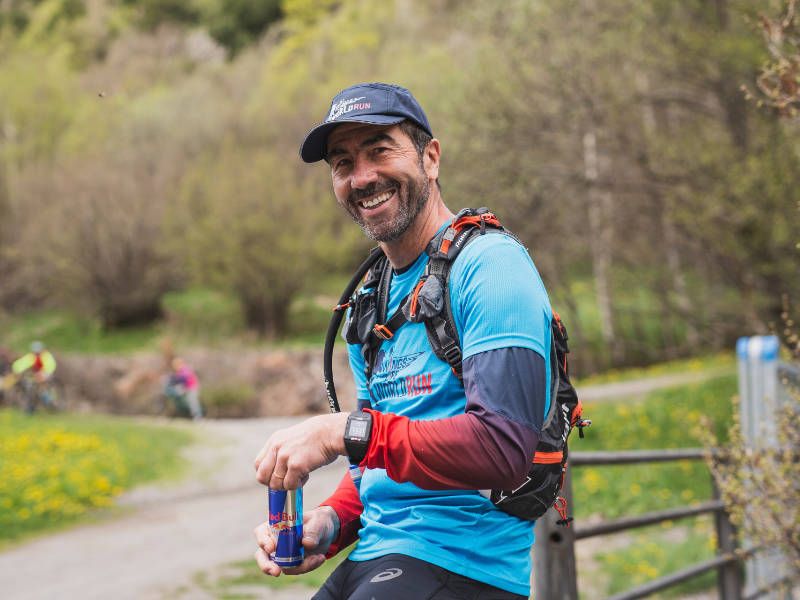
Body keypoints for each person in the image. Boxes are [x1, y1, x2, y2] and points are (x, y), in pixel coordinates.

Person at [253, 82, 553, 599]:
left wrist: (339, 432)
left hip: (466, 565)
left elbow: (505, 449)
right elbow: (374, 465)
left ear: (430, 158)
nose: (362, 176)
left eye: (379, 150)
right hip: (380, 555)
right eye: (342, 163)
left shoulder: (490, 266)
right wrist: (328, 524)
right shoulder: (369, 303)